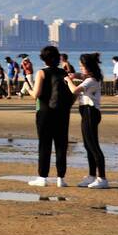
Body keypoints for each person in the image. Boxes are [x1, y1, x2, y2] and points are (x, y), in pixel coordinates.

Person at [28, 45, 73, 187]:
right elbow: (71, 92)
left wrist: (28, 88)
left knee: (45, 144)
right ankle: (61, 178)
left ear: (44, 59)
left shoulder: (42, 73)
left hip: (45, 112)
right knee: (61, 144)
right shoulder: (64, 73)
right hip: (62, 112)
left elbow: (36, 94)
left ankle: (42, 177)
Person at [67, 53, 107, 188]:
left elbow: (75, 91)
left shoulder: (91, 80)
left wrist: (68, 80)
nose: (80, 68)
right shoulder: (91, 77)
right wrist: (74, 75)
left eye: (82, 66)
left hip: (90, 112)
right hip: (86, 112)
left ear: (88, 67)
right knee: (87, 145)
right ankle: (91, 176)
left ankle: (102, 178)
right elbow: (82, 76)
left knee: (93, 146)